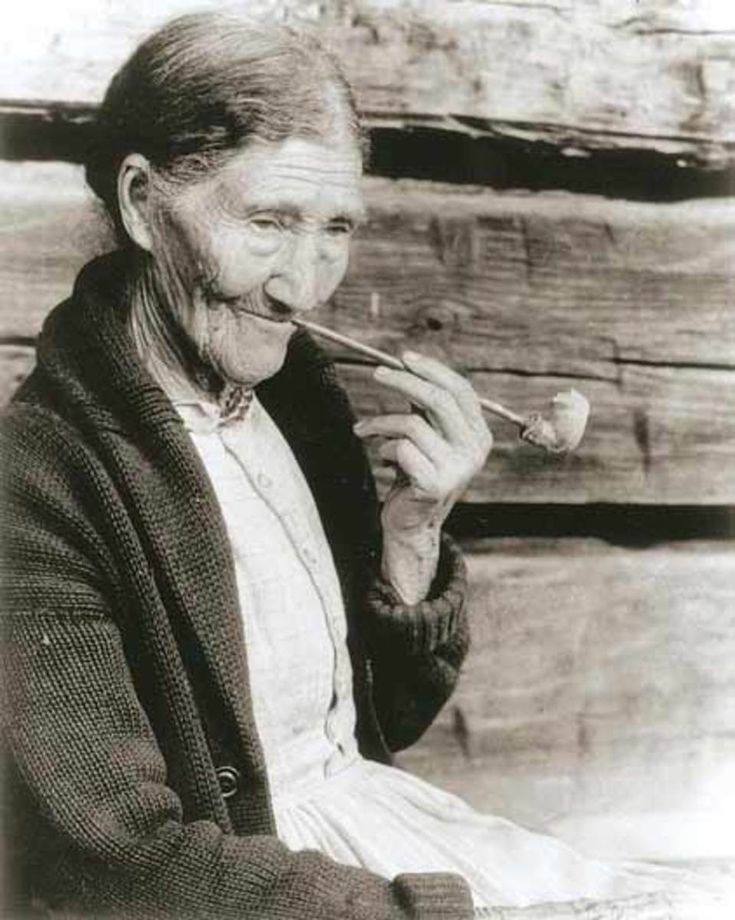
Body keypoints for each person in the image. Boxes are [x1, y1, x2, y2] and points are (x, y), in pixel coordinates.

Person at [1, 13, 729, 920]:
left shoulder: (292, 407)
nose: (302, 283)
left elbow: (372, 732)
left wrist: (412, 533)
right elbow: (120, 866)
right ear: (144, 203)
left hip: (366, 840)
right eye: (267, 222)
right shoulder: (39, 479)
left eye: (334, 228)